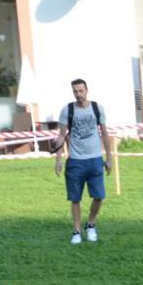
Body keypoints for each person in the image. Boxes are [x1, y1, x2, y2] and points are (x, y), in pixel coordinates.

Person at [53, 78, 112, 245]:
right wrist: (58, 159)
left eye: (81, 91)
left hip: (95, 159)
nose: (78, 94)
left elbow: (105, 134)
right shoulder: (68, 110)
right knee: (75, 199)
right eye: (75, 91)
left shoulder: (97, 108)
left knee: (99, 196)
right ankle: (76, 231)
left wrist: (109, 158)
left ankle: (90, 224)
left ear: (87, 90)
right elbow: (61, 135)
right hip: (75, 161)